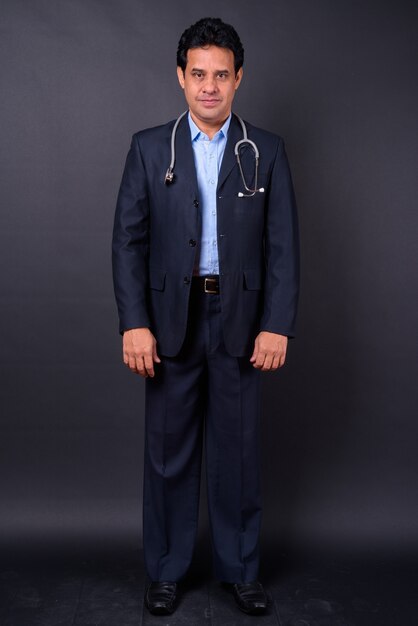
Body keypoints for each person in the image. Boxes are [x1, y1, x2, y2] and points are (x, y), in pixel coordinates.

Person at [112, 17, 299, 616]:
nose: (210, 87)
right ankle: (166, 570)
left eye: (222, 75)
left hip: (241, 319)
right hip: (170, 318)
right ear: (180, 77)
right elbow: (128, 242)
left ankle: (240, 569)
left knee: (238, 450)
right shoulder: (149, 148)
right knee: (168, 452)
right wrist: (133, 322)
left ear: (239, 79)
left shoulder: (265, 151)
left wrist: (278, 323)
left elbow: (283, 247)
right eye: (199, 74)